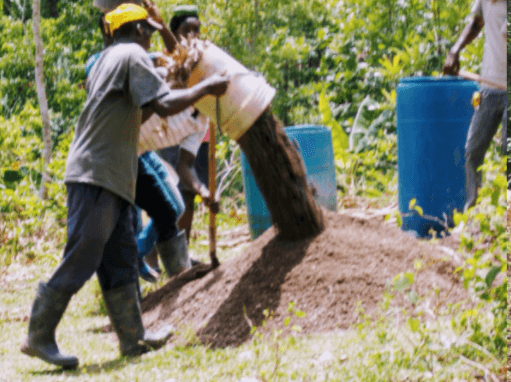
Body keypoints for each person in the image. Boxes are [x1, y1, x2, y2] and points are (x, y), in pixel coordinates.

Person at [20, 3, 228, 369]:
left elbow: (143, 110)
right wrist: (206, 87)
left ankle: (132, 337)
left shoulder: (110, 58)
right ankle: (39, 333)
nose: (150, 35)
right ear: (133, 30)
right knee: (84, 253)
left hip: (110, 173)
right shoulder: (131, 54)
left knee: (120, 257)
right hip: (96, 172)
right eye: (146, 29)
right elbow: (163, 107)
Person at [442, 0, 506, 211]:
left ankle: (507, 221)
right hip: (489, 86)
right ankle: (473, 214)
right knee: (472, 150)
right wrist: (455, 49)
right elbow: (477, 23)